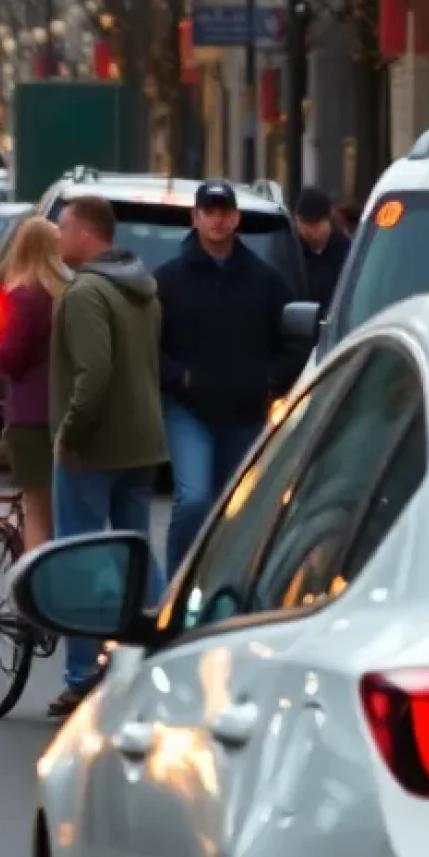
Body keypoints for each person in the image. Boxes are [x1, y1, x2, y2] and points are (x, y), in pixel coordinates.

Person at [48, 194, 168, 719]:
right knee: (135, 553)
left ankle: (81, 675)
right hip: (142, 440)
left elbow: (92, 374)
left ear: (86, 234)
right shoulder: (141, 287)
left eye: (64, 225)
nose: (56, 233)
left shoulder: (85, 293)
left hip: (94, 446)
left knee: (79, 555)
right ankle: (167, 650)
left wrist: (70, 432)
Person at [157, 179, 300, 575]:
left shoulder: (265, 280)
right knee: (195, 500)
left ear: (236, 218)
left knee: (239, 508)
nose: (217, 220)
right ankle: (176, 587)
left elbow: (296, 338)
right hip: (190, 412)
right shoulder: (168, 281)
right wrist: (178, 378)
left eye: (224, 212)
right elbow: (149, 347)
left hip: (246, 414)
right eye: (209, 212)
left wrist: (270, 379)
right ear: (195, 217)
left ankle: (226, 588)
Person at [0, 217, 68, 555]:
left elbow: (10, 356)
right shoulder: (69, 294)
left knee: (36, 510)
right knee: (62, 512)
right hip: (66, 414)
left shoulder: (24, 296)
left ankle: (36, 592)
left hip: (30, 416)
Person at [293, 186, 350, 316]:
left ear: (328, 220)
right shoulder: (292, 252)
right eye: (306, 225)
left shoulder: (344, 251)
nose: (311, 232)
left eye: (316, 224)